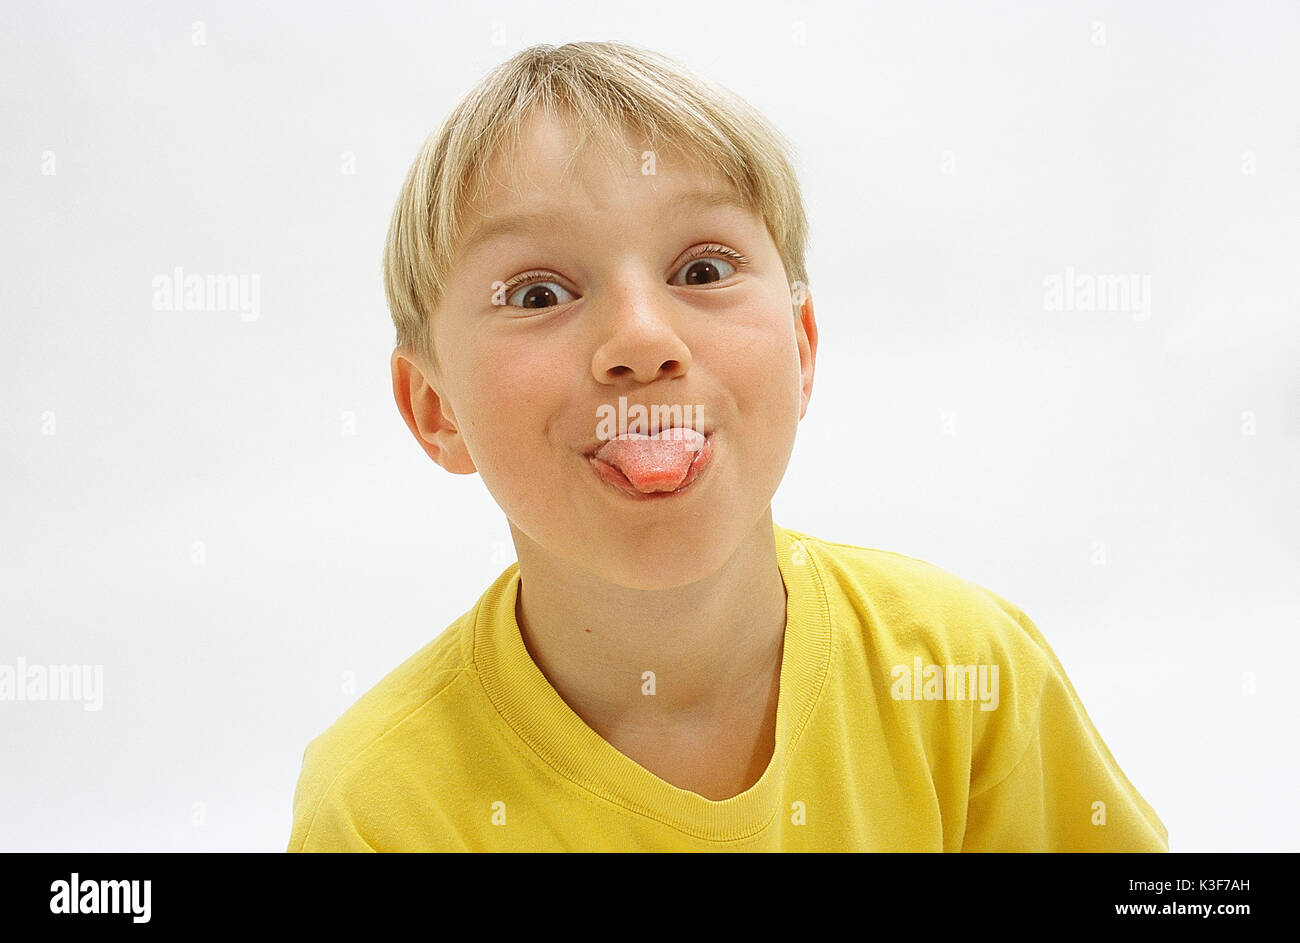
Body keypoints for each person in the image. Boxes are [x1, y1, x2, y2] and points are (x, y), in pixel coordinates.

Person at [287, 40, 1167, 851]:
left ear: (803, 345)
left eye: (701, 271)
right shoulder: (377, 809)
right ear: (435, 407)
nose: (640, 337)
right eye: (538, 293)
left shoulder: (963, 674)